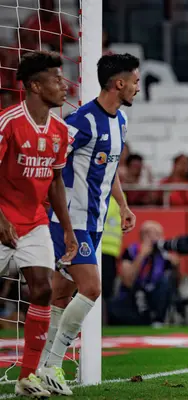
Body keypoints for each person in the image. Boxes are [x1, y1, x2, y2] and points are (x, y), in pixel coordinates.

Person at [38, 53, 139, 396]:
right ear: (119, 83)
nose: (139, 88)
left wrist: (123, 205)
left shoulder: (120, 121)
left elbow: (108, 172)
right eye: (136, 81)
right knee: (92, 288)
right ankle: (52, 365)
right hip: (70, 220)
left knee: (62, 294)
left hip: (94, 222)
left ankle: (39, 368)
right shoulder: (81, 122)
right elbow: (52, 166)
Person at [0, 51, 77, 398]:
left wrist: (67, 227)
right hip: (1, 218)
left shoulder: (60, 130)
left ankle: (26, 378)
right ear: (34, 85)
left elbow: (56, 182)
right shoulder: (8, 123)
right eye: (56, 79)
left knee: (43, 289)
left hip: (34, 222)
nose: (64, 85)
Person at [106, 221, 179, 327]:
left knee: (165, 281)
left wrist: (176, 265)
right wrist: (141, 256)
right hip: (134, 295)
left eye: (157, 234)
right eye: (149, 234)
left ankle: (158, 320)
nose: (154, 238)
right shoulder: (131, 251)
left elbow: (175, 284)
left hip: (154, 294)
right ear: (142, 236)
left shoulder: (164, 255)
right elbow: (127, 281)